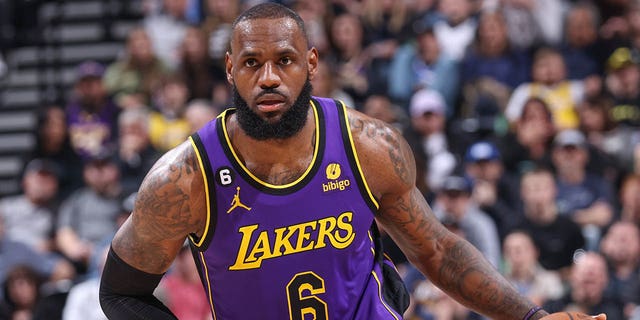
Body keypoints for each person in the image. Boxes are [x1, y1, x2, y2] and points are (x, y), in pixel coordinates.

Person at [99, 3, 605, 320]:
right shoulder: (185, 178)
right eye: (252, 63)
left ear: (311, 64)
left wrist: (531, 316)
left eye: (285, 61)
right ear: (231, 69)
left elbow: (438, 251)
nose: (269, 77)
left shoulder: (367, 145)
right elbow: (120, 294)